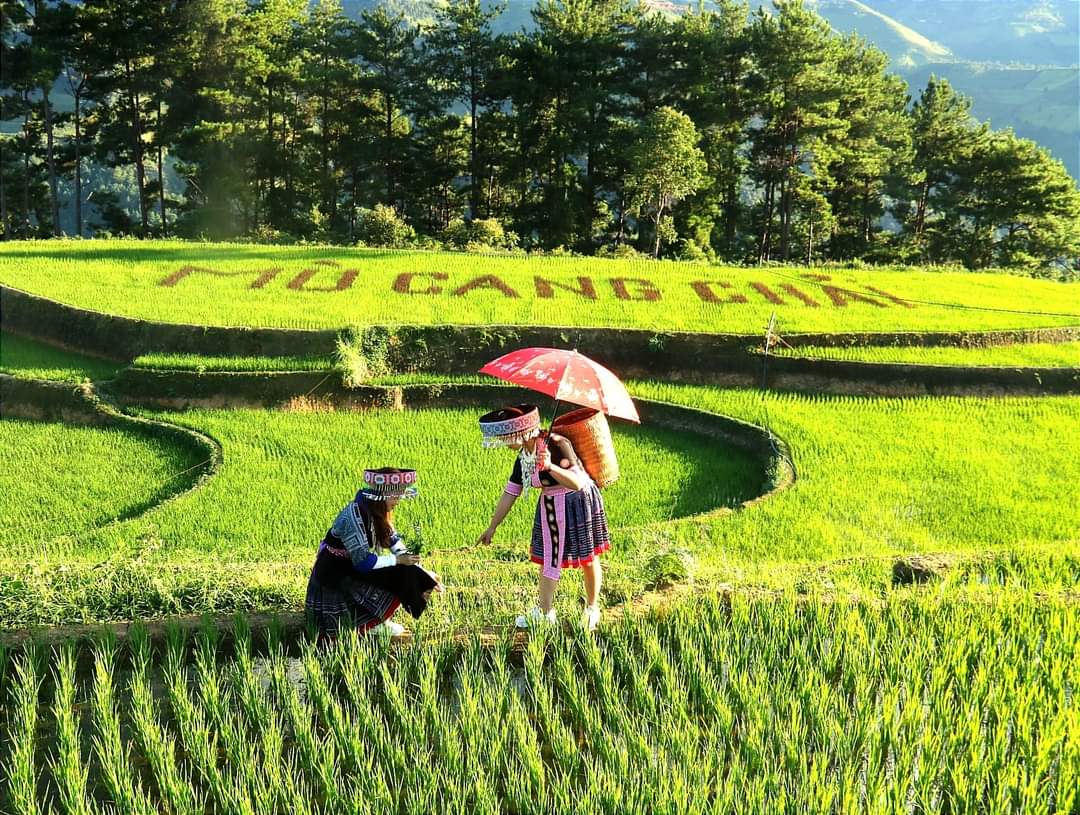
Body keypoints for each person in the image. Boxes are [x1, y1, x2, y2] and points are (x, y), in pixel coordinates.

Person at [477, 404, 610, 630]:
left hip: (577, 502)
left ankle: (592, 608)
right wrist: (492, 526)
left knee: (587, 557)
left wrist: (550, 467)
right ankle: (544, 612)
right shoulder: (524, 455)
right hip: (550, 504)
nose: (505, 443)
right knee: (549, 556)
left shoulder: (558, 444)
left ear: (521, 432)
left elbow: (577, 483)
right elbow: (511, 491)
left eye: (507, 437)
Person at [306, 467, 440, 638]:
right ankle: (369, 624)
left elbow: (395, 543)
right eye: (395, 496)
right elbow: (364, 563)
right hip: (336, 574)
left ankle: (379, 620)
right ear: (380, 497)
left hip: (352, 566)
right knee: (399, 568)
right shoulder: (353, 517)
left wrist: (422, 573)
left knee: (407, 570)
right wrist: (398, 561)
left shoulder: (377, 514)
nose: (398, 501)